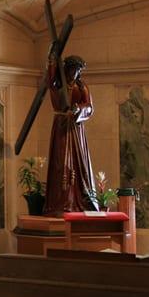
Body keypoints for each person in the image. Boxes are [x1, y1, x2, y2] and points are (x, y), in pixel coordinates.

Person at [44, 55, 98, 216]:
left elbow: (89, 107)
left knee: (78, 162)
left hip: (75, 128)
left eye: (78, 70)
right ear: (67, 69)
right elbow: (50, 82)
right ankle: (60, 202)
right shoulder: (58, 85)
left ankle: (78, 200)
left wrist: (79, 109)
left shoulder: (81, 87)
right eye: (73, 69)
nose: (75, 73)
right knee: (61, 162)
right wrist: (53, 62)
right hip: (61, 126)